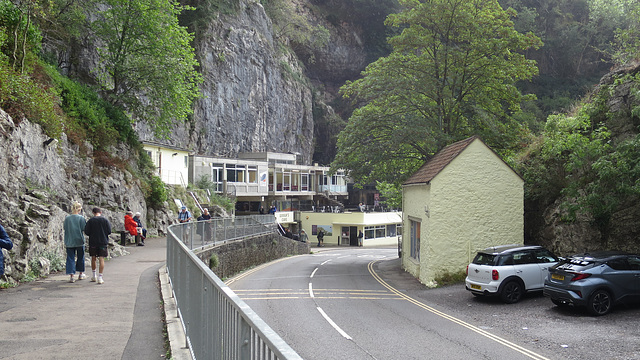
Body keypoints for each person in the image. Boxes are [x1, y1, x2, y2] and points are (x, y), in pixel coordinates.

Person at [84, 207, 111, 284]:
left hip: (93, 242)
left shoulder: (90, 221)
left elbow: (87, 232)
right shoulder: (105, 220)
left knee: (93, 258)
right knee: (101, 259)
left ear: (93, 212)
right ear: (101, 212)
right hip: (103, 242)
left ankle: (94, 275)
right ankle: (100, 277)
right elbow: (109, 231)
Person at [63, 201, 87, 282]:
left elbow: (65, 228)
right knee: (81, 257)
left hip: (69, 240)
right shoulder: (81, 218)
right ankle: (80, 274)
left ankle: (71, 276)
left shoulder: (67, 219)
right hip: (79, 240)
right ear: (79, 209)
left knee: (70, 258)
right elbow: (84, 228)